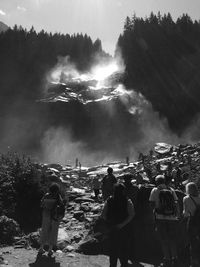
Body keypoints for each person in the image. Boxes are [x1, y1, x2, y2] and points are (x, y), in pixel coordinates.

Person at [101, 183, 135, 267]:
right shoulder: (127, 200)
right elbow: (132, 214)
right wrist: (122, 224)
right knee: (124, 249)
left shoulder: (109, 200)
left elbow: (103, 215)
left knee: (113, 250)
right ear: (123, 191)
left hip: (112, 228)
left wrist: (109, 222)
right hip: (125, 229)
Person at [149, 175, 180, 267]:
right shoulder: (171, 189)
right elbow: (176, 202)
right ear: (164, 181)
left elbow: (151, 204)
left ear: (157, 182)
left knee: (163, 239)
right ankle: (175, 258)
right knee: (172, 239)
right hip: (172, 218)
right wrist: (177, 215)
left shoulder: (154, 190)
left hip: (160, 218)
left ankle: (167, 259)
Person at [38, 183, 65, 257]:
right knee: (53, 231)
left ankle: (41, 248)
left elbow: (41, 204)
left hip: (46, 215)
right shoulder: (57, 196)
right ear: (57, 190)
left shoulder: (46, 195)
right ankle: (50, 250)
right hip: (55, 216)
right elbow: (62, 205)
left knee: (45, 230)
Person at [183, 182, 200, 267]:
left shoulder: (186, 198)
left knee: (193, 243)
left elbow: (185, 213)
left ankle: (194, 262)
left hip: (192, 222)